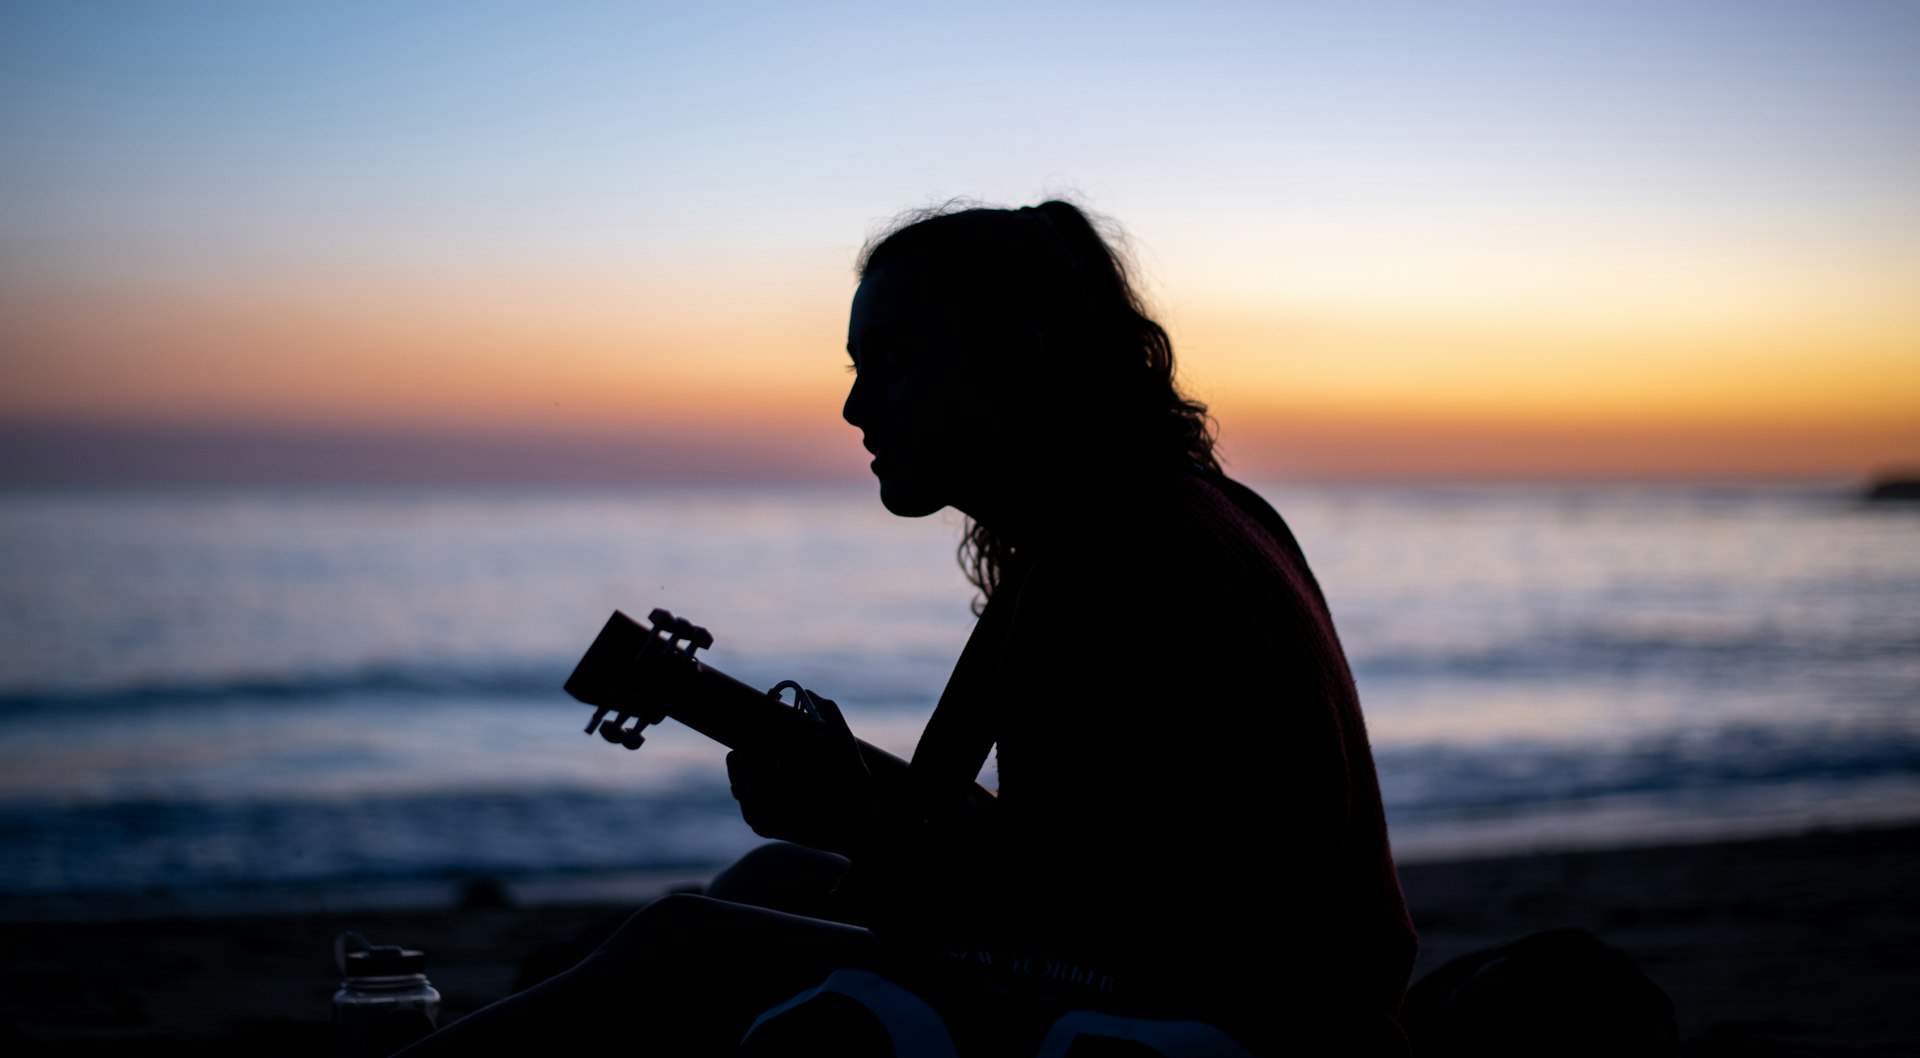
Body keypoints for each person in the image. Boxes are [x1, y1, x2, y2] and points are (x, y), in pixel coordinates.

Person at [406, 201, 1417, 1056]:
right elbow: (1084, 848)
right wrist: (864, 809)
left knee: (684, 943)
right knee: (772, 880)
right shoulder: (1162, 509)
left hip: (1245, 1025)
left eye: (888, 359)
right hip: (1256, 983)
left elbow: (1112, 912)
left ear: (1019, 358)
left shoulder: (1117, 549)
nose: (853, 405)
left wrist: (858, 819)